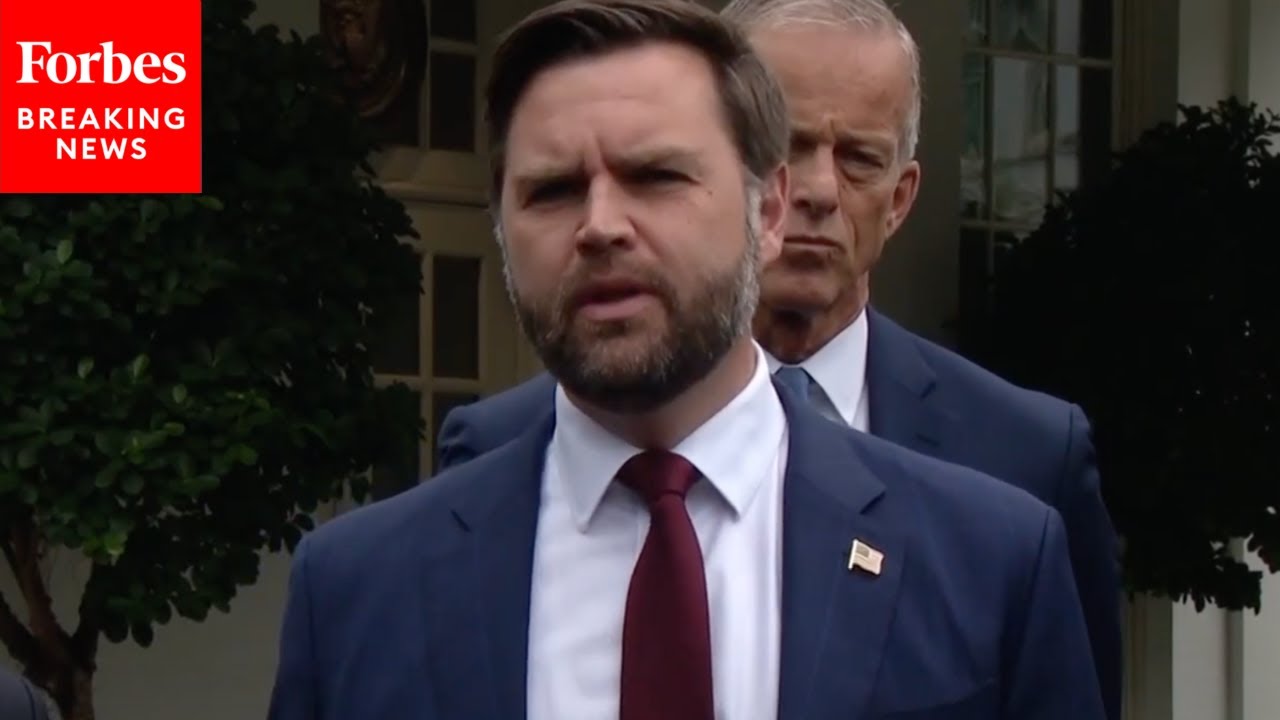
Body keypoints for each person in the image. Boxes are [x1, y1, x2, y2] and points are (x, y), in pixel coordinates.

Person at [267, 1, 1104, 718]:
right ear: (501, 227)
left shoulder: (993, 558)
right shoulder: (354, 591)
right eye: (553, 190)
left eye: (656, 176)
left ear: (767, 212)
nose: (601, 225)